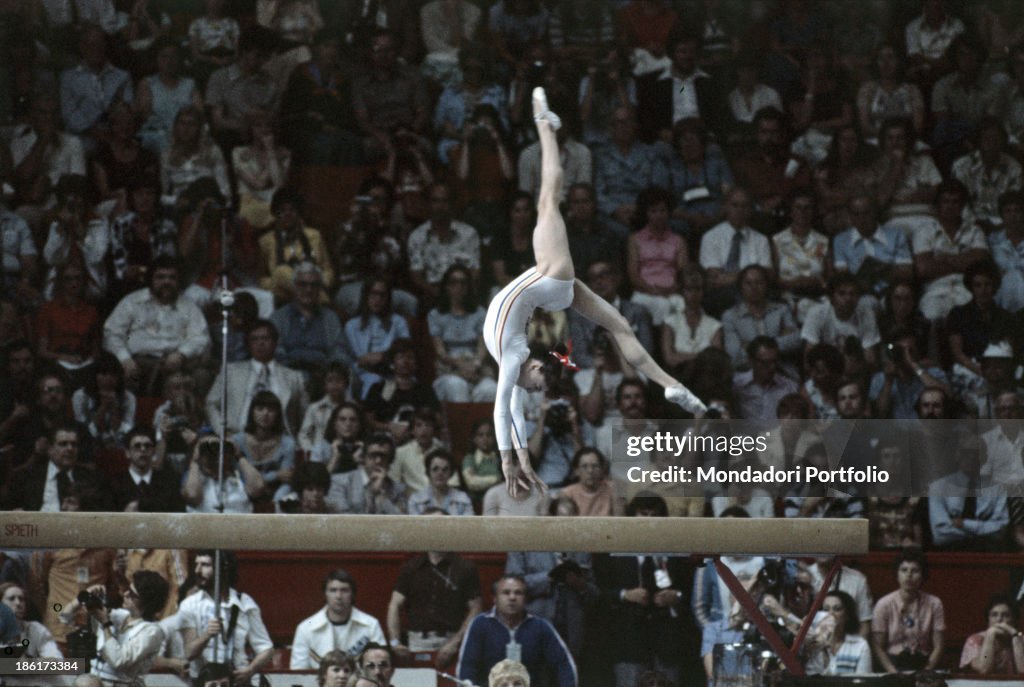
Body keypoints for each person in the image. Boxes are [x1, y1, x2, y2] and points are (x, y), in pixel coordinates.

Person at [484, 89, 705, 497]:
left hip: (547, 284)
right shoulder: (513, 357)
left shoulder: (512, 357)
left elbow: (506, 409)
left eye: (537, 381)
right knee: (619, 324)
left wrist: (511, 461)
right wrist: (516, 462)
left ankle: (544, 126)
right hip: (551, 283)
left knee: (549, 199)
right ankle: (669, 383)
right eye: (539, 381)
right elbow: (509, 408)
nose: (541, 378)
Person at [103, 255, 211, 395]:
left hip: (176, 364)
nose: (167, 282)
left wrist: (182, 354)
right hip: (138, 363)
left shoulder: (189, 307)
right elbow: (111, 333)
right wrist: (125, 359)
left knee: (202, 376)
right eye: (160, 277)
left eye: (172, 277)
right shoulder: (132, 302)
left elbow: (201, 338)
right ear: (151, 279)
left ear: (179, 281)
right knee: (124, 377)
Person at [456, 575, 577, 687]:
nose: (512, 597)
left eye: (518, 593)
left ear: (526, 599)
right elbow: (467, 667)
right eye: (506, 593)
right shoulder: (480, 624)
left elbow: (563, 664)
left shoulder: (540, 626)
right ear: (495, 598)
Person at [178, 551, 273, 683]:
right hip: (205, 681)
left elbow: (266, 648)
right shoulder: (189, 605)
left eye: (205, 565)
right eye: (196, 564)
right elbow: (188, 653)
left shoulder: (244, 603)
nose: (197, 570)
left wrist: (250, 670)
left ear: (222, 569)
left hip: (238, 681)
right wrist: (207, 635)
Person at [62, 571, 169, 687]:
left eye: (132, 594)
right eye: (128, 589)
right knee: (84, 682)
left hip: (121, 683)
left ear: (146, 601)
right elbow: (64, 616)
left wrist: (105, 624)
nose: (125, 594)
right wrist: (85, 596)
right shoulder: (119, 615)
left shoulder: (152, 631)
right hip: (94, 680)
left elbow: (118, 660)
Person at [205, 319, 308, 437]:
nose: (260, 343)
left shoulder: (294, 377)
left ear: (275, 342)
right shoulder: (230, 372)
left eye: (265, 338)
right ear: (248, 343)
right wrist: (223, 432)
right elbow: (211, 403)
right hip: (237, 438)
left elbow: (305, 417)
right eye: (255, 339)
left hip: (281, 441)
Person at [387, 542, 482, 667]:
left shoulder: (465, 567)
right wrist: (395, 642)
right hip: (417, 642)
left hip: (452, 641)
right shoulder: (411, 567)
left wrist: (456, 642)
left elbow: (476, 608)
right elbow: (394, 605)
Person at [290, 569, 386, 669]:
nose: (338, 596)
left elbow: (381, 667)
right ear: (325, 594)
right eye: (333, 590)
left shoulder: (371, 625)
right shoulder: (305, 629)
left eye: (344, 590)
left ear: (352, 594)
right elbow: (298, 673)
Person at [870, 549, 945, 672]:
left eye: (915, 571)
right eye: (904, 570)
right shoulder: (883, 604)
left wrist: (926, 671)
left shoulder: (934, 603)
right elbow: (878, 646)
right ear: (897, 574)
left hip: (924, 662)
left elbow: (939, 646)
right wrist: (893, 671)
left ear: (922, 575)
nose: (909, 575)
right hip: (892, 663)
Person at [803, 590, 872, 675]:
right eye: (826, 609)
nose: (830, 613)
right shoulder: (812, 644)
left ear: (847, 615)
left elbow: (863, 682)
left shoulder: (860, 645)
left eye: (837, 609)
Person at [959, 593, 1024, 674]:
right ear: (988, 619)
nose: (999, 619)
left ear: (1013, 619)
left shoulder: (1020, 637)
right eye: (994, 615)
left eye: (1006, 615)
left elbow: (1023, 670)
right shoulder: (975, 640)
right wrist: (990, 636)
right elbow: (984, 669)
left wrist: (1015, 635)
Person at [0, 582, 62, 657]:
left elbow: (56, 659)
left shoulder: (35, 629)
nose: (18, 603)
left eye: (21, 599)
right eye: (11, 599)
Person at [309, 401, 365, 475]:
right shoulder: (320, 448)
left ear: (359, 425)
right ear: (334, 424)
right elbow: (316, 482)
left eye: (353, 420)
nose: (348, 424)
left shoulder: (367, 448)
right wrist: (334, 458)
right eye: (342, 419)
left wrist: (362, 461)